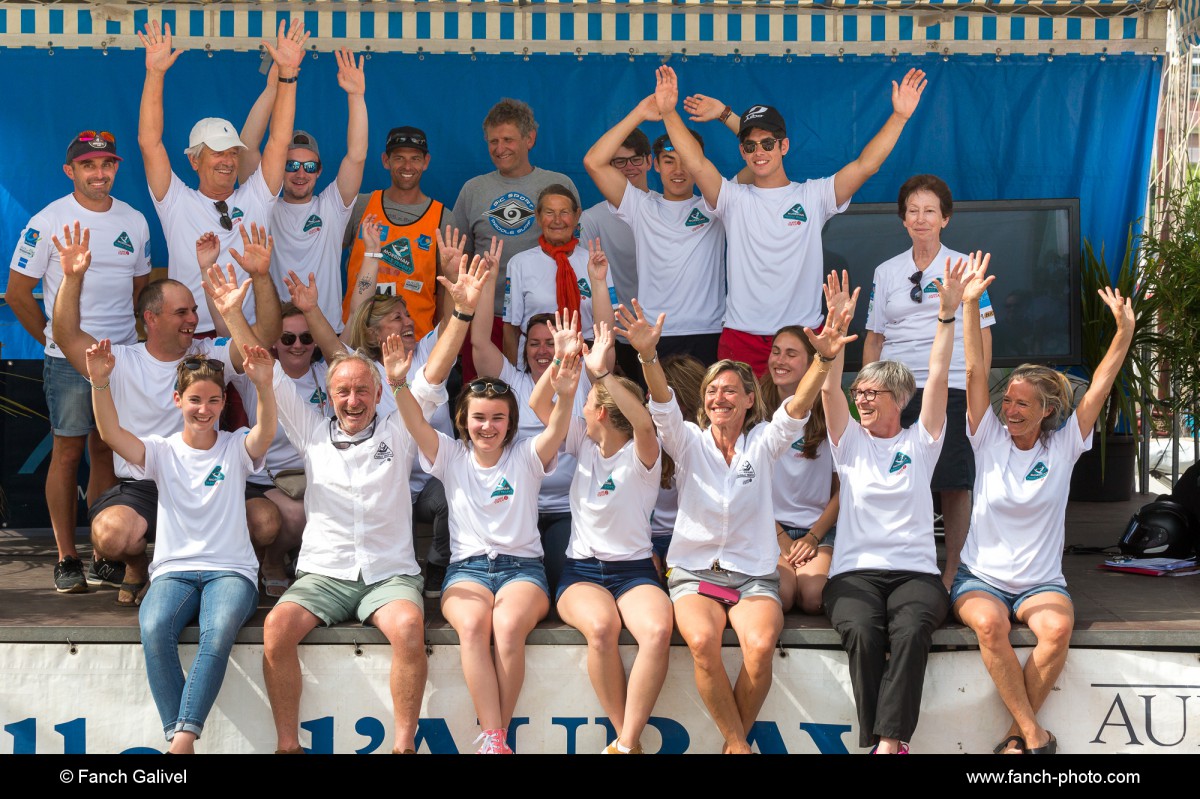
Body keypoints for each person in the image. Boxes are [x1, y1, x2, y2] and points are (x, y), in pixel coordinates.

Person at [209, 246, 490, 754]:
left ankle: (403, 746)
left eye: (363, 390)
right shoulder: (311, 430)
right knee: (276, 629)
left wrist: (464, 311)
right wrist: (231, 313)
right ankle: (287, 745)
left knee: (408, 627)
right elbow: (261, 366)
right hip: (324, 573)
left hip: (389, 572)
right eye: (343, 392)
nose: (353, 400)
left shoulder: (401, 426)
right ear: (329, 395)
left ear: (378, 393)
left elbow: (434, 371)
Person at [620, 297, 840, 754]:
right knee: (702, 639)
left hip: (754, 574)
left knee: (759, 647)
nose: (719, 397)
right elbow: (662, 402)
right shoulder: (688, 442)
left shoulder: (763, 442)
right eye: (711, 391)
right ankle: (738, 746)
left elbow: (798, 405)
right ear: (703, 402)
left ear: (747, 399)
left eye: (729, 390)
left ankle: (731, 742)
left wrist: (825, 358)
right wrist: (647, 356)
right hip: (694, 574)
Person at [953, 255, 1133, 755]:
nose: (1009, 410)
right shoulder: (987, 435)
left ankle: (1016, 736)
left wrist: (1124, 331)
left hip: (1041, 584)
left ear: (1047, 410)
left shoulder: (1066, 444)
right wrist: (969, 305)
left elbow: (1099, 384)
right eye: (1007, 401)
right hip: (980, 580)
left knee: (1056, 629)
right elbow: (972, 368)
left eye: (1021, 404)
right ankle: (1034, 735)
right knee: (990, 625)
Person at [51, 224, 276, 606]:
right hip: (144, 484)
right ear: (151, 319)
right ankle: (139, 566)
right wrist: (72, 278)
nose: (193, 318)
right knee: (110, 536)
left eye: (193, 309)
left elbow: (264, 340)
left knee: (267, 523)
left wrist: (259, 277)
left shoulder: (210, 354)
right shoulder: (119, 359)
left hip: (212, 477)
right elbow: (66, 333)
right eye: (181, 312)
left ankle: (236, 569)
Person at [655, 65, 926, 375]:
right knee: (737, 424)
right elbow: (696, 162)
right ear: (743, 152)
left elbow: (866, 165)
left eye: (768, 144)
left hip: (802, 336)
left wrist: (900, 117)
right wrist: (668, 112)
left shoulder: (814, 195)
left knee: (806, 424)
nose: (760, 152)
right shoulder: (731, 198)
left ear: (783, 146)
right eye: (750, 146)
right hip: (742, 337)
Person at [391, 327, 580, 754]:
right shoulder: (451, 454)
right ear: (463, 420)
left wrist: (565, 394)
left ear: (511, 422)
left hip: (523, 570)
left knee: (508, 626)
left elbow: (557, 430)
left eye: (498, 417)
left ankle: (497, 738)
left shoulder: (528, 456)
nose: (487, 426)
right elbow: (415, 422)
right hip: (467, 571)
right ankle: (495, 740)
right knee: (475, 626)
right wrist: (399, 383)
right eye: (479, 417)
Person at [86, 338, 275, 753]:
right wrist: (101, 382)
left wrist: (264, 386)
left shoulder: (235, 445)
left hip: (232, 571)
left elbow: (266, 433)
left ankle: (181, 741)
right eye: (194, 400)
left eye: (212, 400)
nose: (203, 409)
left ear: (224, 402)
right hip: (173, 571)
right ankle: (182, 738)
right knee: (153, 628)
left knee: (217, 631)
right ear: (177, 399)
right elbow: (111, 434)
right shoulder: (161, 450)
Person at [816, 265, 970, 754]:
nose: (861, 399)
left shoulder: (920, 441)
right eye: (858, 392)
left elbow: (941, 376)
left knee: (912, 628)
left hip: (915, 575)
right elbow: (827, 391)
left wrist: (946, 318)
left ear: (899, 400)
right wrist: (835, 338)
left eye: (871, 393)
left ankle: (886, 744)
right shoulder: (850, 443)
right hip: (854, 573)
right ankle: (886, 741)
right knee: (862, 629)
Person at [7, 130, 150, 593]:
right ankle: (67, 557)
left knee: (107, 449)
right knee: (67, 452)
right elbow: (16, 294)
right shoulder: (47, 221)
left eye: (107, 164)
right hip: (68, 363)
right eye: (89, 165)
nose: (99, 173)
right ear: (70, 171)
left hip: (122, 358)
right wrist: (56, 339)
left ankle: (103, 555)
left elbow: (140, 294)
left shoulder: (135, 220)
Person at [528, 322, 672, 754]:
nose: (581, 409)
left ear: (603, 413)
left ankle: (626, 743)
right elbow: (539, 402)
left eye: (588, 403)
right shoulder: (583, 442)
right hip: (582, 572)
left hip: (634, 571)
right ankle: (625, 737)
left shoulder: (643, 450)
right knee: (603, 628)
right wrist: (561, 358)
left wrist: (601, 375)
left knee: (659, 630)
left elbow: (644, 423)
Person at [863, 175, 997, 587]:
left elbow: (984, 334)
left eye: (930, 211)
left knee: (955, 481)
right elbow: (874, 337)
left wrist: (977, 387)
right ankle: (903, 564)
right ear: (903, 219)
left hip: (953, 385)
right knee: (901, 478)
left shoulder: (966, 268)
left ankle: (954, 568)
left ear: (945, 219)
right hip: (897, 391)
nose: (921, 219)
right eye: (913, 211)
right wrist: (868, 392)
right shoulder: (886, 271)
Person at [137, 19, 301, 334]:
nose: (228, 161)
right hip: (189, 336)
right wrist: (155, 74)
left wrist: (288, 76)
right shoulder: (176, 201)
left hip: (249, 335)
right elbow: (149, 142)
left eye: (233, 152)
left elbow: (279, 141)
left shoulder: (254, 196)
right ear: (194, 160)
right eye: (217, 152)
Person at [471, 265, 613, 596]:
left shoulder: (580, 383)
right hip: (517, 507)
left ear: (566, 346)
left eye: (551, 343)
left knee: (563, 581)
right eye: (534, 343)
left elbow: (605, 338)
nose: (542, 350)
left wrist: (599, 282)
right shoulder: (511, 382)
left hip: (568, 508)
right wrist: (489, 282)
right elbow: (478, 341)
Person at [583, 93, 726, 366]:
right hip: (655, 334)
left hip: (708, 331)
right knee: (658, 409)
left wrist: (724, 114)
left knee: (709, 409)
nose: (679, 169)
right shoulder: (641, 206)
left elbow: (759, 162)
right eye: (670, 160)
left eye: (687, 160)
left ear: (699, 165)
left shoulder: (718, 203)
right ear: (655, 164)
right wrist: (639, 112)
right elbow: (594, 162)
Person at [238, 48, 368, 334]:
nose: (300, 173)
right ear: (279, 168)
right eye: (291, 165)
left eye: (309, 167)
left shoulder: (332, 207)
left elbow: (356, 156)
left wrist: (356, 97)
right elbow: (247, 149)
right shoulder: (263, 203)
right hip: (275, 333)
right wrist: (274, 86)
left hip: (326, 333)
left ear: (320, 171)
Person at [451, 98, 579, 341]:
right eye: (493, 141)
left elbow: (577, 252)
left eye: (508, 140)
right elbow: (459, 261)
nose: (500, 149)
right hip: (487, 316)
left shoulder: (560, 185)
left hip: (547, 320)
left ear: (529, 139)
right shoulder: (473, 190)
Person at [228, 302, 326, 597]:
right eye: (287, 338)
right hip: (264, 482)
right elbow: (242, 341)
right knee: (297, 516)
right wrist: (228, 308)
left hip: (314, 479)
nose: (298, 345)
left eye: (306, 338)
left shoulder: (328, 372)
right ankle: (271, 562)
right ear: (273, 341)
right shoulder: (254, 373)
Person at [342, 126, 455, 338]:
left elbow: (446, 287)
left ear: (426, 162)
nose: (407, 166)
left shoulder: (443, 217)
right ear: (386, 160)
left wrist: (440, 340)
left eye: (415, 158)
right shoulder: (361, 205)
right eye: (399, 158)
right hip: (357, 337)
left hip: (415, 342)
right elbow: (326, 255)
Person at [759, 327, 839, 615]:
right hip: (767, 528)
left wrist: (813, 537)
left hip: (817, 530)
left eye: (791, 354)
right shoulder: (754, 408)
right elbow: (744, 484)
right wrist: (779, 536)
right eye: (776, 351)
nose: (779, 360)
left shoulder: (829, 411)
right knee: (783, 593)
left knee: (813, 596)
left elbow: (842, 489)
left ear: (810, 364)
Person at [502, 184, 617, 367]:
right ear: (538, 218)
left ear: (577, 215)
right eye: (549, 212)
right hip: (536, 361)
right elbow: (511, 328)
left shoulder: (594, 262)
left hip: (583, 359)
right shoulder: (520, 263)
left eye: (564, 212)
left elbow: (606, 328)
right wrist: (513, 378)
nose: (557, 220)